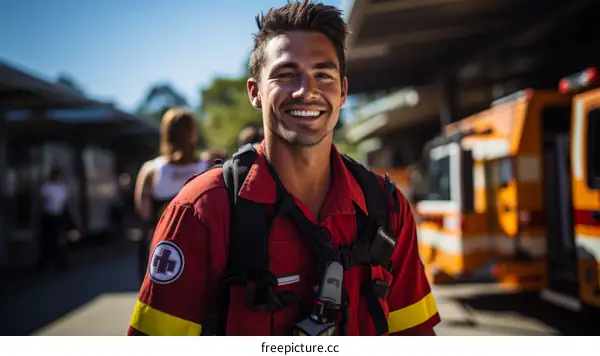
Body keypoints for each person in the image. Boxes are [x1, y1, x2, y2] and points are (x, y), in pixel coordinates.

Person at [128, 0, 440, 336]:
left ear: (344, 90)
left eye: (323, 74)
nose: (307, 91)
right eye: (287, 75)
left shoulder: (388, 209)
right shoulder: (201, 212)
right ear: (255, 92)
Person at [133, 107, 209, 282]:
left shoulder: (150, 170)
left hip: (164, 248)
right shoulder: (208, 166)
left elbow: (143, 211)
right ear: (193, 133)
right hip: (200, 246)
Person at [37, 166, 73, 270]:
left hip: (59, 214)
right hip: (49, 215)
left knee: (60, 239)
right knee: (48, 240)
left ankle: (60, 262)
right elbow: (41, 198)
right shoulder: (48, 186)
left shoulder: (63, 187)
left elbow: (66, 202)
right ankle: (45, 263)